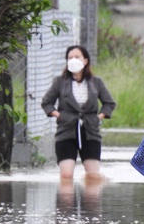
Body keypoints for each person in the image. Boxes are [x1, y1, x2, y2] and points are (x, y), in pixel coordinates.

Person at [41, 45, 116, 180]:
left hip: (90, 132)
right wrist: (61, 116)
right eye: (70, 58)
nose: (73, 60)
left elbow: (109, 103)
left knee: (93, 176)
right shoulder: (60, 82)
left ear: (85, 61)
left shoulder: (96, 82)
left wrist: (98, 118)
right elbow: (47, 102)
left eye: (77, 57)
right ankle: (66, 201)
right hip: (66, 131)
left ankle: (90, 199)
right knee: (66, 176)